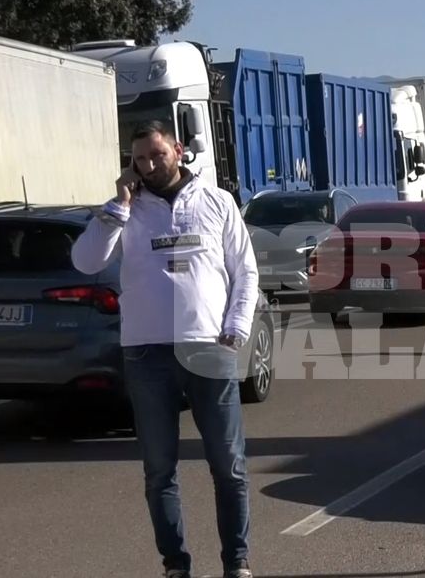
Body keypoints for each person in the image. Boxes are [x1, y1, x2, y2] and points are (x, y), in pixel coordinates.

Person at [71, 120, 259, 578]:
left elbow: (245, 271)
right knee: (159, 470)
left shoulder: (217, 201)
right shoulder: (126, 211)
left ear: (177, 149)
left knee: (229, 466)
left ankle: (236, 562)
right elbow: (85, 261)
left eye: (157, 154)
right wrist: (118, 206)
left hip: (209, 347)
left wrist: (236, 325)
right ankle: (175, 565)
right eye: (140, 159)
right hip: (146, 353)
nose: (150, 165)